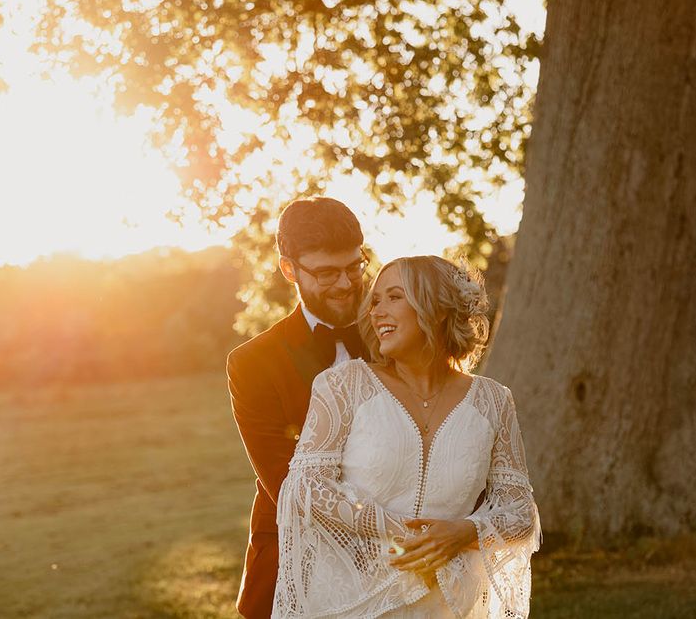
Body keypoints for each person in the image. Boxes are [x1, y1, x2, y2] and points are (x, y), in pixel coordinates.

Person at [273, 255, 541, 618]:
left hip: (450, 606)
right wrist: (405, 532)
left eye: (394, 297)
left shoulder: (493, 401)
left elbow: (520, 510)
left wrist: (464, 532)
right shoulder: (343, 386)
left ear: (438, 308)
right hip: (354, 604)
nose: (376, 311)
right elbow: (306, 485)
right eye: (376, 300)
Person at [227, 197, 371, 618]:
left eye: (354, 266)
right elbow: (285, 481)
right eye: (327, 273)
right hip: (294, 557)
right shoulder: (252, 362)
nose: (345, 284)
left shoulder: (396, 336)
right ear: (289, 269)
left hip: (402, 560)